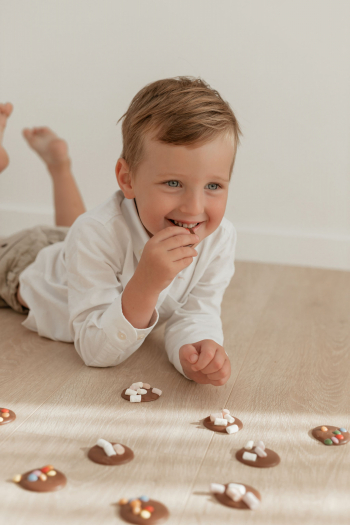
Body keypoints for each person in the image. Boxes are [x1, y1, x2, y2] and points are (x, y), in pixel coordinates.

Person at [0, 77, 242, 386]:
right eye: (173, 183)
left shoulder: (219, 239)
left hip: (70, 248)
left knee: (71, 231)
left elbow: (196, 313)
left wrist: (195, 348)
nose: (194, 208)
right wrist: (145, 283)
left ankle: (59, 165)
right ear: (127, 179)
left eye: (213, 186)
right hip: (21, 263)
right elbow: (94, 350)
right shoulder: (94, 233)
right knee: (83, 231)